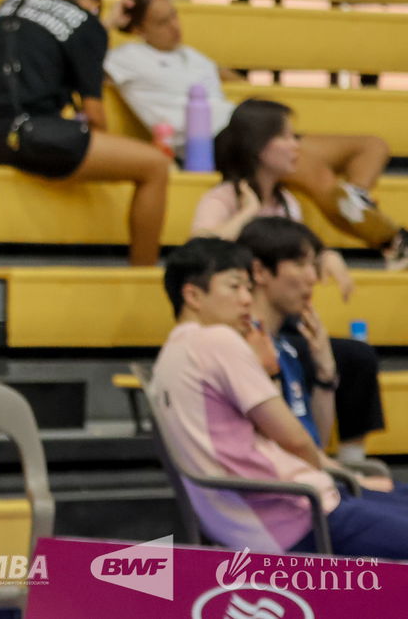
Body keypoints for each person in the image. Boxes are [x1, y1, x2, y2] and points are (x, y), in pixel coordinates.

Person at [151, 238, 408, 558]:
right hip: (296, 517)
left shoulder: (170, 356)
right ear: (192, 295)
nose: (247, 299)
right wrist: (349, 479)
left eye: (248, 287)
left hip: (254, 517)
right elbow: (296, 439)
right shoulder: (216, 341)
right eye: (234, 287)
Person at [112, 0, 406, 268]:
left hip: (250, 125)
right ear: (138, 28)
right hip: (219, 138)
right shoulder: (124, 58)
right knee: (319, 176)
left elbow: (239, 84)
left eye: (175, 16)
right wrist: (110, 21)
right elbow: (81, 58)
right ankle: (391, 242)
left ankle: (355, 200)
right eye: (163, 22)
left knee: (372, 146)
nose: (175, 26)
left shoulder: (192, 55)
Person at [0, 0, 169, 267]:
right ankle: (145, 276)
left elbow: (57, 33)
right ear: (94, 5)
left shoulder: (10, 5)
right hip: (27, 138)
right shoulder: (88, 25)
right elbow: (95, 115)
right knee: (155, 165)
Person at [239, 217, 386, 465]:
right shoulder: (244, 348)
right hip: (291, 493)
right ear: (259, 271)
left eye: (313, 265)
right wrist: (350, 478)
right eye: (299, 264)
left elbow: (315, 441)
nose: (312, 278)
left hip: (314, 483)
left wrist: (325, 373)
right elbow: (283, 452)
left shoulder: (285, 347)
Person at [191, 99, 357, 298]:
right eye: (284, 137)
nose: (295, 146)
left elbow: (294, 254)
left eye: (294, 137)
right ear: (256, 144)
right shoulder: (222, 197)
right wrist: (247, 213)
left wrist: (325, 255)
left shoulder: (287, 203)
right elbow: (198, 250)